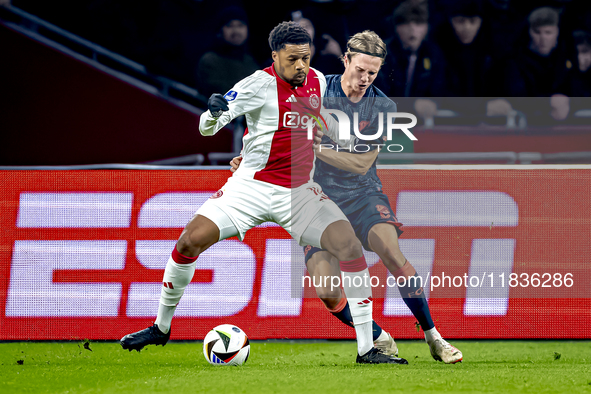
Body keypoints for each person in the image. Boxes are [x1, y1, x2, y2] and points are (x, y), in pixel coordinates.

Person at [120, 21, 407, 365]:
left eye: (305, 57)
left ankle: (367, 349)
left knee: (347, 245)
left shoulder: (316, 81)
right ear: (275, 57)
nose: (301, 66)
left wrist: (346, 138)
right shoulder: (256, 85)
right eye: (292, 60)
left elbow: (323, 121)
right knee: (187, 243)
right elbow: (206, 127)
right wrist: (213, 113)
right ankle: (161, 328)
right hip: (250, 188)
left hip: (299, 192)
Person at [232, 30, 463, 364]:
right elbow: (272, 123)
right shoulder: (318, 89)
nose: (366, 78)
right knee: (327, 293)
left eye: (373, 72)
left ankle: (433, 337)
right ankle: (376, 336)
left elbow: (361, 163)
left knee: (391, 251)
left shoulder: (383, 105)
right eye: (360, 70)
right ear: (346, 61)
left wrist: (316, 148)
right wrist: (249, 156)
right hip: (316, 199)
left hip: (362, 195)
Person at [195, 6, 260, 98]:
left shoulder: (250, 63)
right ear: (220, 31)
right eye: (230, 26)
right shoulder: (210, 60)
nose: (236, 31)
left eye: (240, 25)